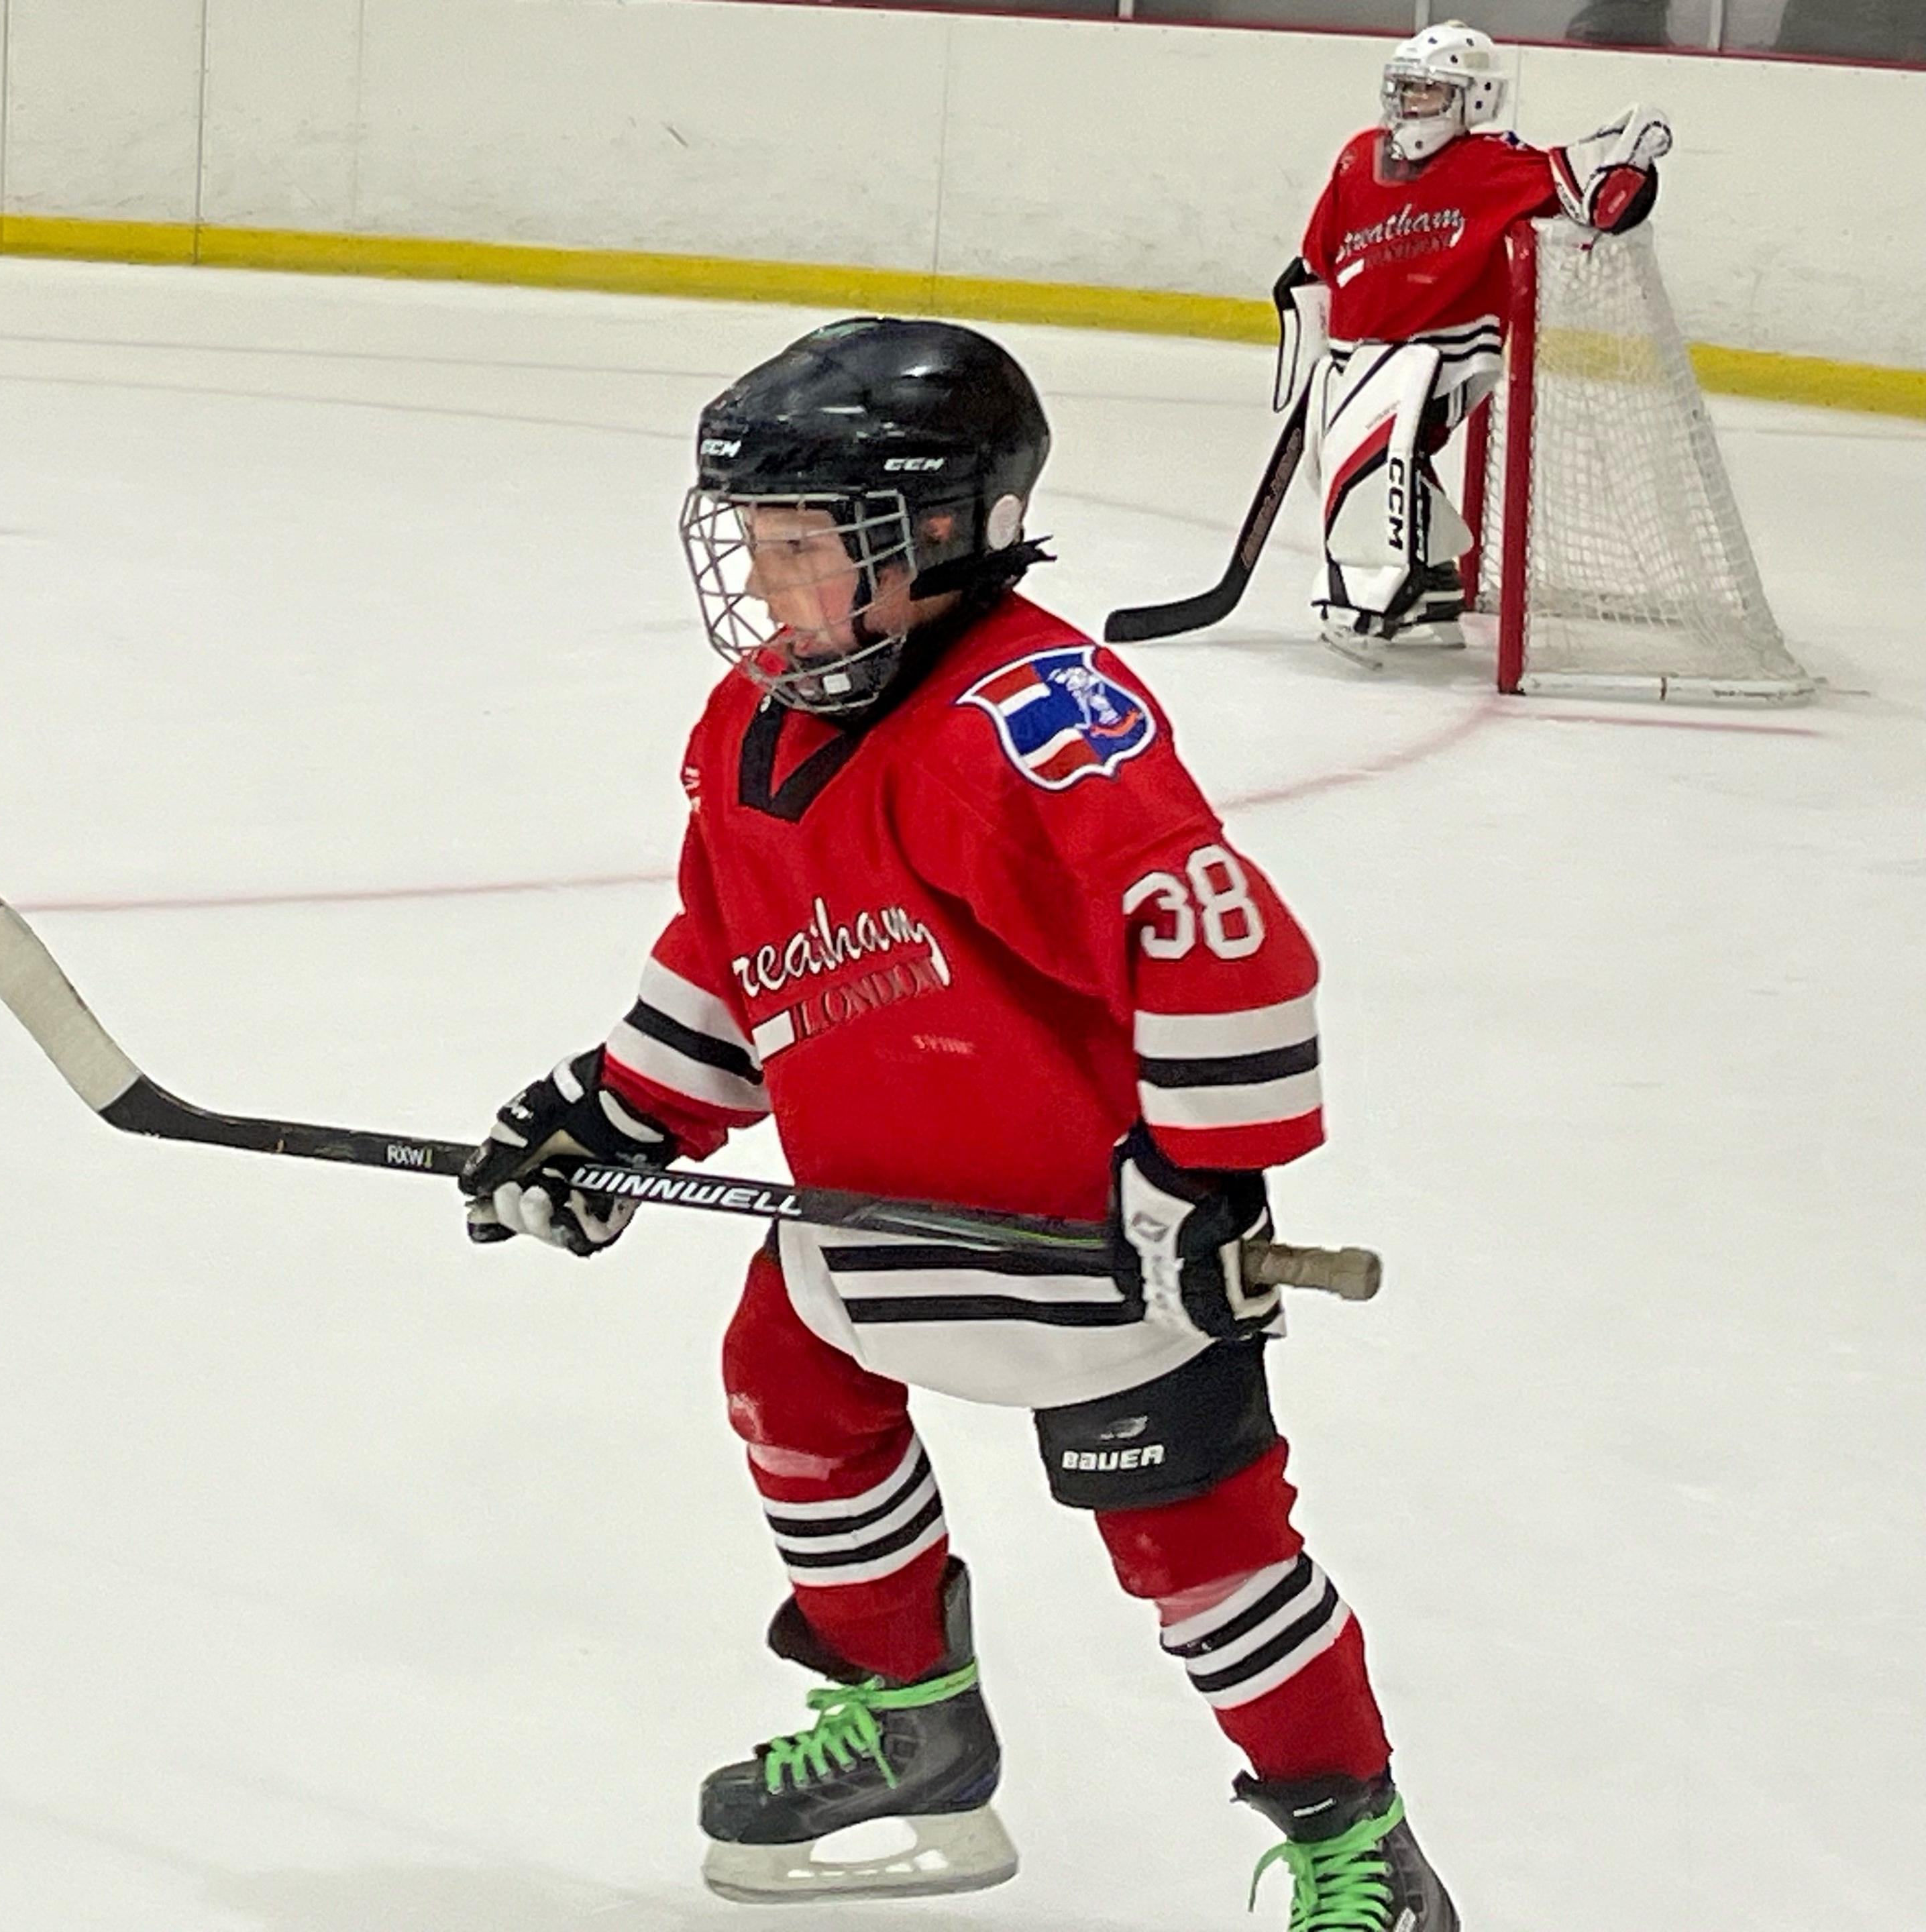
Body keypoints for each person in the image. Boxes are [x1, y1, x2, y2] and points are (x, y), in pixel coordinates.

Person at [457, 315, 1458, 1927]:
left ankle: (1356, 1843)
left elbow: (1221, 942)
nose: (767, 589)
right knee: (787, 1380)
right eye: (757, 546)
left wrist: (1203, 1186)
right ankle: (911, 1716)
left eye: (807, 550)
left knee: (1198, 1554)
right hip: (872, 1221)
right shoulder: (748, 727)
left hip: (1091, 1240)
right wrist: (611, 1120)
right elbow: (735, 954)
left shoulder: (1031, 718)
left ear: (939, 537)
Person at [1280, 19, 1672, 666]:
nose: (1410, 107)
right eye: (1404, 90)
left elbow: (1588, 191)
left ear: (1475, 100)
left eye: (1429, 94)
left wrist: (1630, 157)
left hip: (1447, 351)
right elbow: (1321, 254)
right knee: (1344, 459)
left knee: (1375, 459)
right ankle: (1434, 578)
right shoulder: (1359, 156)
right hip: (1359, 351)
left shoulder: (1491, 163)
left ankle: (1377, 588)